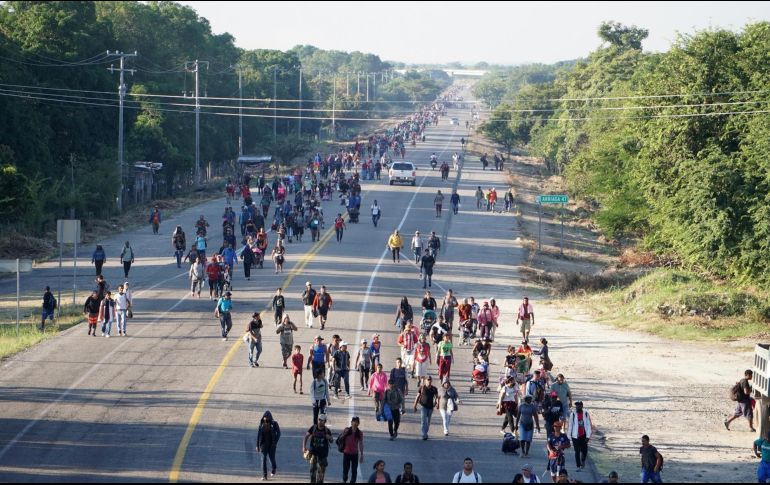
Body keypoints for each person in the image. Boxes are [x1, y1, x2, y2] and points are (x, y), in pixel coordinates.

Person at [303, 414, 333, 484]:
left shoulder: (327, 430)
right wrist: (304, 447)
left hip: (322, 455)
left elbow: (331, 440)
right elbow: (306, 436)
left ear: (325, 421)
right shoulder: (313, 428)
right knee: (312, 472)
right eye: (319, 420)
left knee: (321, 475)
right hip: (313, 454)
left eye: (322, 420)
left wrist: (328, 437)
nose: (320, 421)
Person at [568, 401, 593, 471]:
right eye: (576, 405)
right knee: (577, 451)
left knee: (584, 451)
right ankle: (578, 466)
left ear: (582, 406)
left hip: (583, 435)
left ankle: (583, 460)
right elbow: (570, 426)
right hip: (575, 436)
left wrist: (588, 436)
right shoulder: (573, 414)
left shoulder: (586, 414)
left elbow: (589, 426)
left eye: (579, 405)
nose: (577, 407)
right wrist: (568, 437)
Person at [256, 410, 281, 481]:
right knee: (263, 459)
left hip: (272, 445)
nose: (265, 418)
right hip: (263, 445)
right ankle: (264, 475)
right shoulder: (261, 424)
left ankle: (274, 468)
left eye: (266, 417)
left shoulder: (274, 424)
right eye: (264, 417)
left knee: (271, 459)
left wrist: (275, 441)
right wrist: (257, 445)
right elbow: (258, 435)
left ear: (270, 417)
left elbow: (279, 433)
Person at [339, 416, 364, 484]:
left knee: (354, 470)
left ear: (358, 423)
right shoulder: (347, 430)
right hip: (346, 453)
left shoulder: (359, 433)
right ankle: (344, 479)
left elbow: (361, 444)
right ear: (351, 422)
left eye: (357, 422)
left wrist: (361, 454)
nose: (355, 423)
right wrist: (344, 433)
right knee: (345, 469)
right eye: (354, 421)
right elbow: (340, 439)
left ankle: (352, 481)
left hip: (355, 454)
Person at [414, 376, 439, 440]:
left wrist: (437, 404)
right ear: (425, 381)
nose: (429, 381)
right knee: (423, 421)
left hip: (431, 407)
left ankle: (425, 432)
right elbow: (417, 396)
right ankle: (424, 434)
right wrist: (415, 405)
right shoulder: (422, 388)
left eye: (430, 380)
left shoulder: (434, 389)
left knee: (428, 422)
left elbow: (437, 397)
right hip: (423, 406)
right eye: (428, 380)